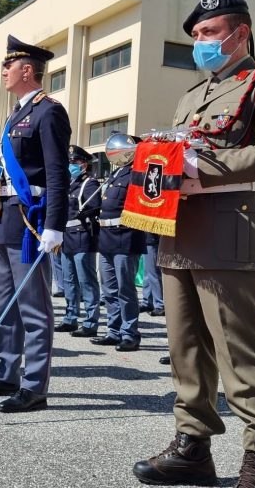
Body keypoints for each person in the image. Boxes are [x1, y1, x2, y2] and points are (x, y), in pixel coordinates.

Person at [132, 0, 255, 488]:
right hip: (178, 230)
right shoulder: (193, 95)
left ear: (241, 33)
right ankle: (192, 447)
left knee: (240, 349)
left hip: (230, 226)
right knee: (185, 347)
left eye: (210, 33)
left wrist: (199, 174)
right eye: (196, 36)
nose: (201, 43)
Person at [0, 35, 70, 414]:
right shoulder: (14, 115)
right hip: (2, 216)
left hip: (30, 222)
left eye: (9, 67)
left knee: (34, 308)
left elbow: (57, 173)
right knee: (6, 303)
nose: (4, 73)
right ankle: (6, 372)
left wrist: (55, 224)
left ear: (28, 70)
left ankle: (34, 385)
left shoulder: (48, 111)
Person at [96, 133, 145, 351]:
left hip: (125, 237)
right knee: (108, 289)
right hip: (106, 238)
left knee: (125, 290)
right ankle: (113, 331)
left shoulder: (137, 173)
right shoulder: (116, 174)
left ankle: (130, 334)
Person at [56, 145, 102, 337]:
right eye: (69, 162)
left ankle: (91, 322)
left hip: (83, 235)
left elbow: (93, 207)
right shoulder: (68, 184)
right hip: (67, 237)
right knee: (69, 280)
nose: (70, 165)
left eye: (73, 162)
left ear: (83, 164)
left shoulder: (89, 184)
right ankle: (70, 317)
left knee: (86, 281)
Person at [140, 234, 165, 316]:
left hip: (152, 239)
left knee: (153, 273)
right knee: (147, 273)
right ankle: (147, 302)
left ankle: (160, 305)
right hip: (147, 239)